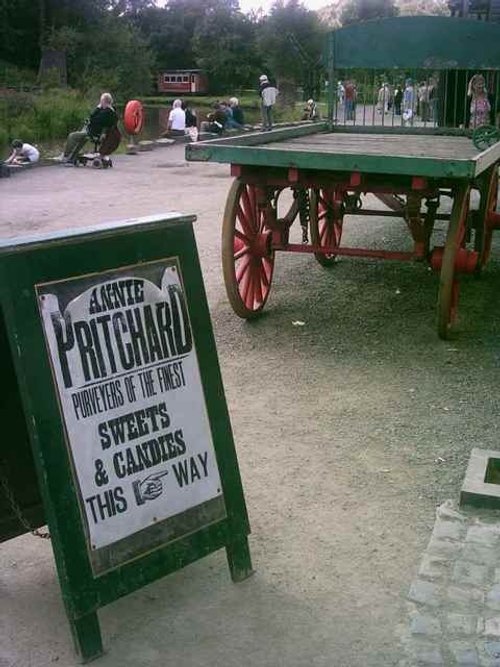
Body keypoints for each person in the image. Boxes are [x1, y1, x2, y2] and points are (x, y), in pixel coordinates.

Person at [60, 92, 118, 163]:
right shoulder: (112, 111)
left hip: (94, 133)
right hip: (95, 131)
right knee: (82, 137)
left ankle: (66, 156)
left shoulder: (106, 112)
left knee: (72, 136)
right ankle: (72, 156)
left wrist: (97, 108)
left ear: (103, 101)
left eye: (101, 101)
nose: (100, 103)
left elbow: (92, 118)